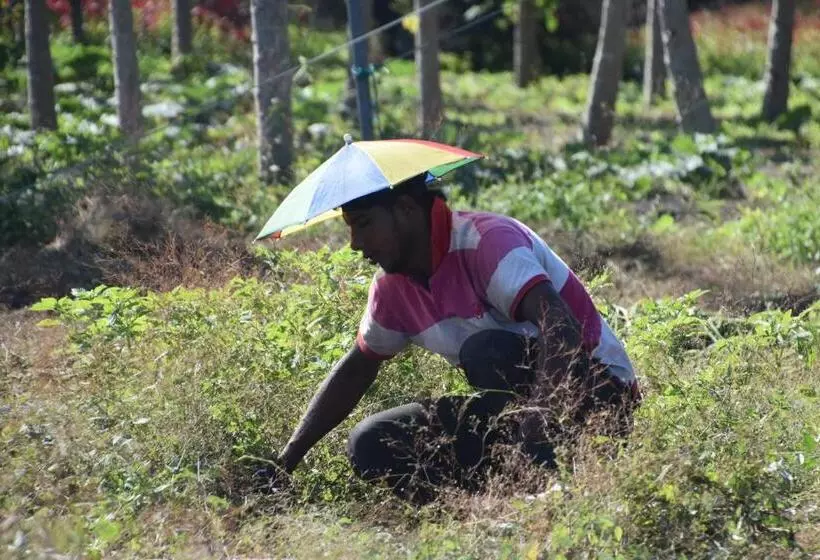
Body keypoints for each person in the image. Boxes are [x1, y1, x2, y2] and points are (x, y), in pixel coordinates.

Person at [271, 173, 639, 503]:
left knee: (487, 351)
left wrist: (535, 423)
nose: (355, 243)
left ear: (405, 210)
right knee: (371, 442)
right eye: (351, 228)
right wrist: (284, 462)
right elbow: (355, 371)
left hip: (600, 394)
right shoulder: (391, 287)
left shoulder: (487, 242)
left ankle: (554, 479)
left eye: (364, 224)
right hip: (515, 410)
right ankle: (492, 505)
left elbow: (562, 329)